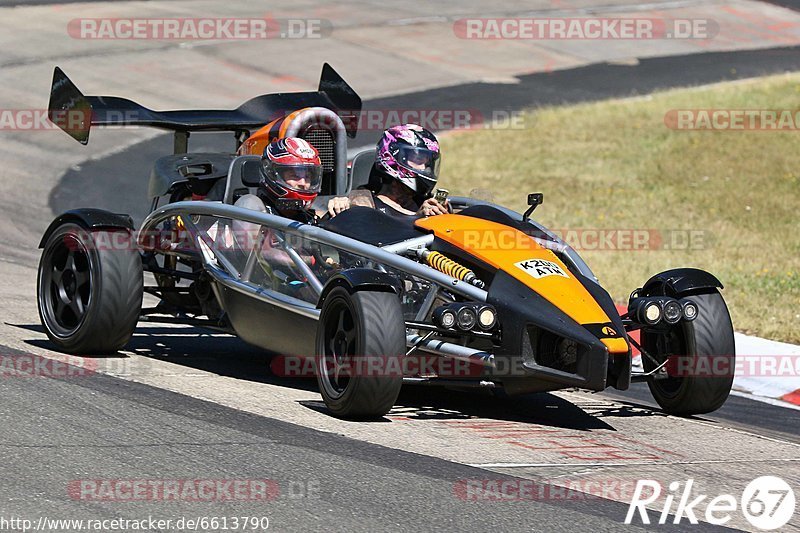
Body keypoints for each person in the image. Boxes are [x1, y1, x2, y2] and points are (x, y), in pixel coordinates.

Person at [327, 124, 448, 219]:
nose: (424, 168)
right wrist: (418, 218)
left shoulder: (426, 203)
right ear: (394, 157)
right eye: (418, 159)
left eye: (427, 163)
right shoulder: (364, 204)